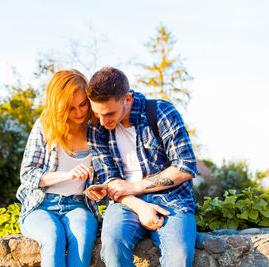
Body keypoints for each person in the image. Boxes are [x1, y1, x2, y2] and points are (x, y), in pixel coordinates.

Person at [85, 67, 198, 267]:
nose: (103, 121)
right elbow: (109, 179)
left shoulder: (161, 112)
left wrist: (135, 187)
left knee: (179, 256)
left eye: (109, 113)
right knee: (111, 247)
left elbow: (185, 166)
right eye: (97, 113)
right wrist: (140, 206)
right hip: (125, 203)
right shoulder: (96, 126)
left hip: (172, 199)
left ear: (127, 99)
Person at [16, 69, 99, 267]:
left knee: (83, 237)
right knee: (53, 237)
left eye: (82, 104)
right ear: (59, 106)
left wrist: (99, 188)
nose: (79, 112)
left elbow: (107, 172)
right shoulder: (45, 126)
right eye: (71, 108)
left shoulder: (96, 129)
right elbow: (27, 174)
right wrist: (66, 175)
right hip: (41, 205)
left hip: (78, 205)